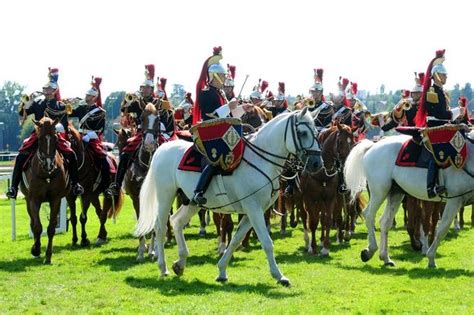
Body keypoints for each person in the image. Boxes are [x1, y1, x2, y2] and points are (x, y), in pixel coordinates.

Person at [6, 68, 84, 199]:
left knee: (70, 154)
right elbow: (22, 115)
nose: (45, 91)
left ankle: (75, 184)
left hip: (54, 135)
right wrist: (26, 103)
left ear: (54, 91)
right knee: (21, 156)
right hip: (37, 135)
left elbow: (64, 123)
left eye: (48, 89)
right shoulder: (37, 103)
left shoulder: (60, 105)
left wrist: (56, 128)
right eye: (44, 88)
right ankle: (14, 187)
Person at [106, 64, 175, 196]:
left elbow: (168, 117)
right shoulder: (136, 103)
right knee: (125, 153)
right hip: (139, 133)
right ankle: (117, 184)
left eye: (147, 88)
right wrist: (126, 102)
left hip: (155, 133)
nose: (144, 90)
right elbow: (123, 111)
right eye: (142, 88)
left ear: (152, 89)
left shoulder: (159, 102)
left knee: (168, 152)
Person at [191, 47, 243, 205]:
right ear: (214, 75)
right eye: (222, 75)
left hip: (224, 131)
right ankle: (199, 191)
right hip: (211, 131)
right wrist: (230, 106)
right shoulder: (206, 92)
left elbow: (229, 117)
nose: (224, 78)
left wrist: (241, 108)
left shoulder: (220, 93)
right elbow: (211, 115)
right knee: (217, 158)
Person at [415, 50, 467, 198]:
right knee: (437, 153)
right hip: (434, 128)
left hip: (442, 126)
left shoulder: (441, 91)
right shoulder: (432, 91)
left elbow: (444, 113)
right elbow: (438, 113)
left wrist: (457, 115)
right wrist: (456, 111)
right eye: (444, 75)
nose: (446, 77)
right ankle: (431, 187)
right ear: (437, 75)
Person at [69, 76, 110, 191]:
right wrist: (69, 104)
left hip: (92, 139)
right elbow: (69, 113)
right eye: (86, 95)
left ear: (94, 98)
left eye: (88, 96)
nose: (86, 97)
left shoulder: (101, 112)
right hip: (78, 137)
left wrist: (88, 136)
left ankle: (106, 187)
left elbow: (100, 130)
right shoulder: (81, 108)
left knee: (103, 160)